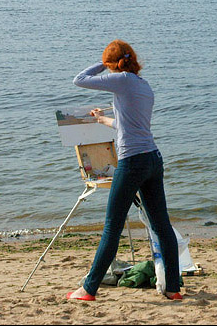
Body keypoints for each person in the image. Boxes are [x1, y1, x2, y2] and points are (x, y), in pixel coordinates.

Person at [65, 39, 183, 302]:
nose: (108, 72)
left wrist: (104, 64)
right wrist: (101, 119)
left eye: (110, 67)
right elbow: (125, 124)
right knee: (162, 225)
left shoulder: (122, 79)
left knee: (112, 228)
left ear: (116, 65)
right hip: (153, 159)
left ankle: (88, 289)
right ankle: (173, 289)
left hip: (132, 163)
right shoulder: (143, 86)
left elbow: (79, 79)